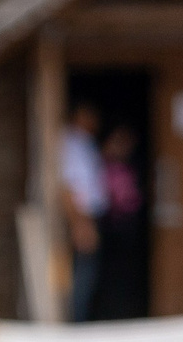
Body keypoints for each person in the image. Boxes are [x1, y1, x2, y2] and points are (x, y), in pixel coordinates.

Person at [91, 122, 148, 320]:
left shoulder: (128, 166)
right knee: (109, 275)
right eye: (118, 142)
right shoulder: (100, 165)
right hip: (110, 226)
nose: (123, 147)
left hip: (126, 227)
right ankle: (109, 315)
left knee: (125, 275)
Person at [60, 100, 108, 321]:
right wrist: (80, 224)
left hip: (89, 215)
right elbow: (67, 186)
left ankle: (81, 319)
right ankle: (75, 324)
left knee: (88, 276)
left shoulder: (84, 143)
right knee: (80, 277)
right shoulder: (70, 144)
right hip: (81, 216)